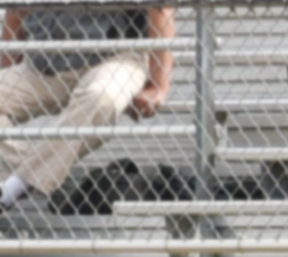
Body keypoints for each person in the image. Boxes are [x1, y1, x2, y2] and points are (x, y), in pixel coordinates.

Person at [0, 5, 173, 216]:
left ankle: (13, 188)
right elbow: (17, 10)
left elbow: (160, 7)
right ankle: (41, 177)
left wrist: (158, 84)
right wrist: (7, 74)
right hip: (46, 65)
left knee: (102, 97)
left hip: (114, 57)